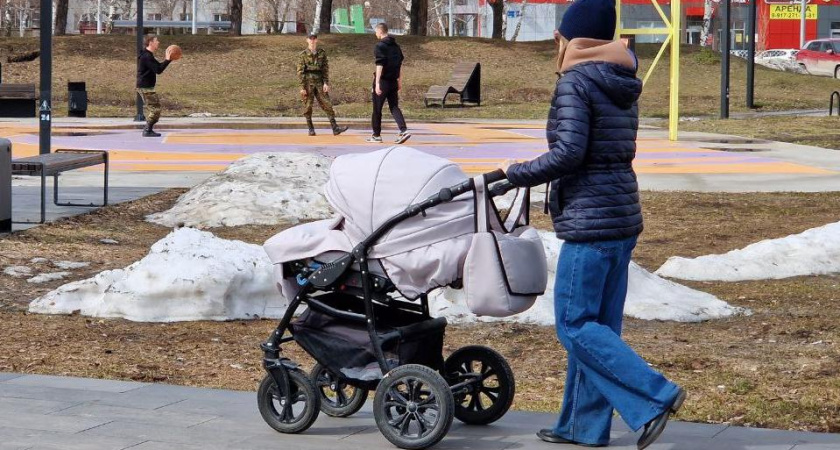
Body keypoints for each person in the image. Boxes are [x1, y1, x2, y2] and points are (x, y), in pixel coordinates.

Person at [500, 0, 685, 448]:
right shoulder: (622, 80)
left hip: (590, 221)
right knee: (599, 327)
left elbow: (569, 154)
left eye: (558, 37)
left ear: (571, 40)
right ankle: (581, 427)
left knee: (575, 325)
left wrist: (516, 172)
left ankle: (655, 395)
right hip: (621, 219)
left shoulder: (575, 83)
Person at [366, 23, 410, 144]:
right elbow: (400, 64)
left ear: (380, 32)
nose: (375, 34)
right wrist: (399, 81)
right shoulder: (396, 46)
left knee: (377, 109)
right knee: (394, 106)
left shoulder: (380, 46)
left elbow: (379, 65)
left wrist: (377, 83)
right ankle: (403, 130)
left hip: (384, 81)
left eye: (376, 32)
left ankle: (376, 135)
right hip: (393, 82)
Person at [297, 33, 348, 136]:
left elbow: (325, 69)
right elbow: (300, 71)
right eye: (310, 39)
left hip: (319, 82)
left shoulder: (321, 53)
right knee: (308, 106)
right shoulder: (303, 55)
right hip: (308, 82)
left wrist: (326, 83)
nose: (312, 40)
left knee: (327, 104)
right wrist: (302, 87)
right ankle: (310, 128)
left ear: (316, 40)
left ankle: (335, 128)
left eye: (314, 38)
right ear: (307, 40)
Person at [136, 35, 173, 138]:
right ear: (150, 42)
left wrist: (168, 60)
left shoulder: (148, 55)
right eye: (156, 41)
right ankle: (147, 130)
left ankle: (148, 129)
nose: (158, 42)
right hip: (145, 87)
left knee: (156, 109)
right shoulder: (146, 56)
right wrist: (167, 59)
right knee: (155, 110)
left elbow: (159, 69)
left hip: (147, 87)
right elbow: (158, 70)